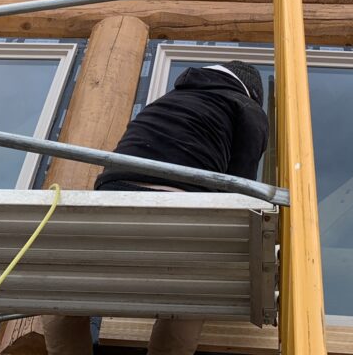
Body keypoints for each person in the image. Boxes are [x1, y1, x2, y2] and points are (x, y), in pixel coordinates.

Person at [43, 60, 268, 355]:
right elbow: (241, 189)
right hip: (173, 202)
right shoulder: (244, 106)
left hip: (110, 199)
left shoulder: (168, 100)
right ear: (250, 92)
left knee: (68, 297)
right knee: (190, 296)